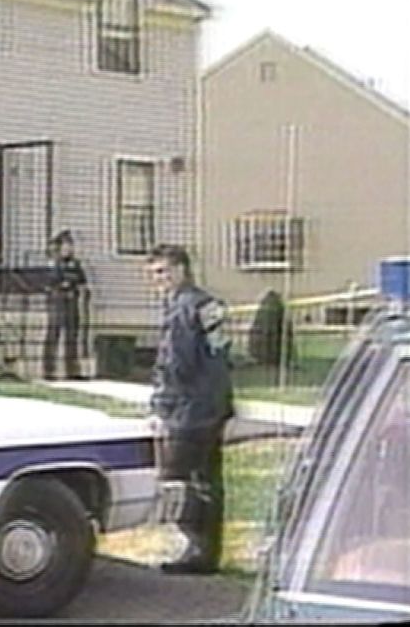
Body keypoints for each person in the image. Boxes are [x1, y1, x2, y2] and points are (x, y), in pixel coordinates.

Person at [145, 243, 234, 575]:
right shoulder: (208, 305)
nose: (160, 279)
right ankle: (209, 550)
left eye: (164, 271)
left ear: (182, 269)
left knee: (179, 480)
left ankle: (194, 549)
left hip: (188, 410)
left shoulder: (183, 309)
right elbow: (222, 355)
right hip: (212, 405)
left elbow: (176, 364)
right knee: (209, 480)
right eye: (154, 274)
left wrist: (160, 407)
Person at [43, 230, 90, 379]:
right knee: (54, 335)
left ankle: (72, 370)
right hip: (58, 303)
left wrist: (79, 289)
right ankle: (49, 370)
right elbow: (50, 283)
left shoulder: (75, 265)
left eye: (71, 245)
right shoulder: (54, 264)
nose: (69, 249)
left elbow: (82, 282)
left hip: (73, 303)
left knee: (72, 336)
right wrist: (63, 287)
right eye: (66, 245)